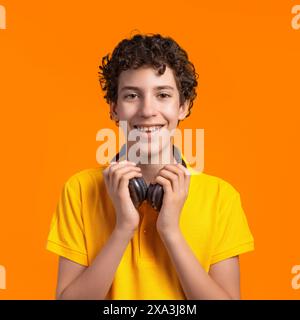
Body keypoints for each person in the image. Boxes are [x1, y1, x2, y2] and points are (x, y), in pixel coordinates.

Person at [46, 33, 254, 300]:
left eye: (163, 95)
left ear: (183, 106)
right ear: (114, 108)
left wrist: (171, 231)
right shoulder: (79, 190)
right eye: (132, 95)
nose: (147, 110)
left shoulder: (221, 197)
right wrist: (123, 228)